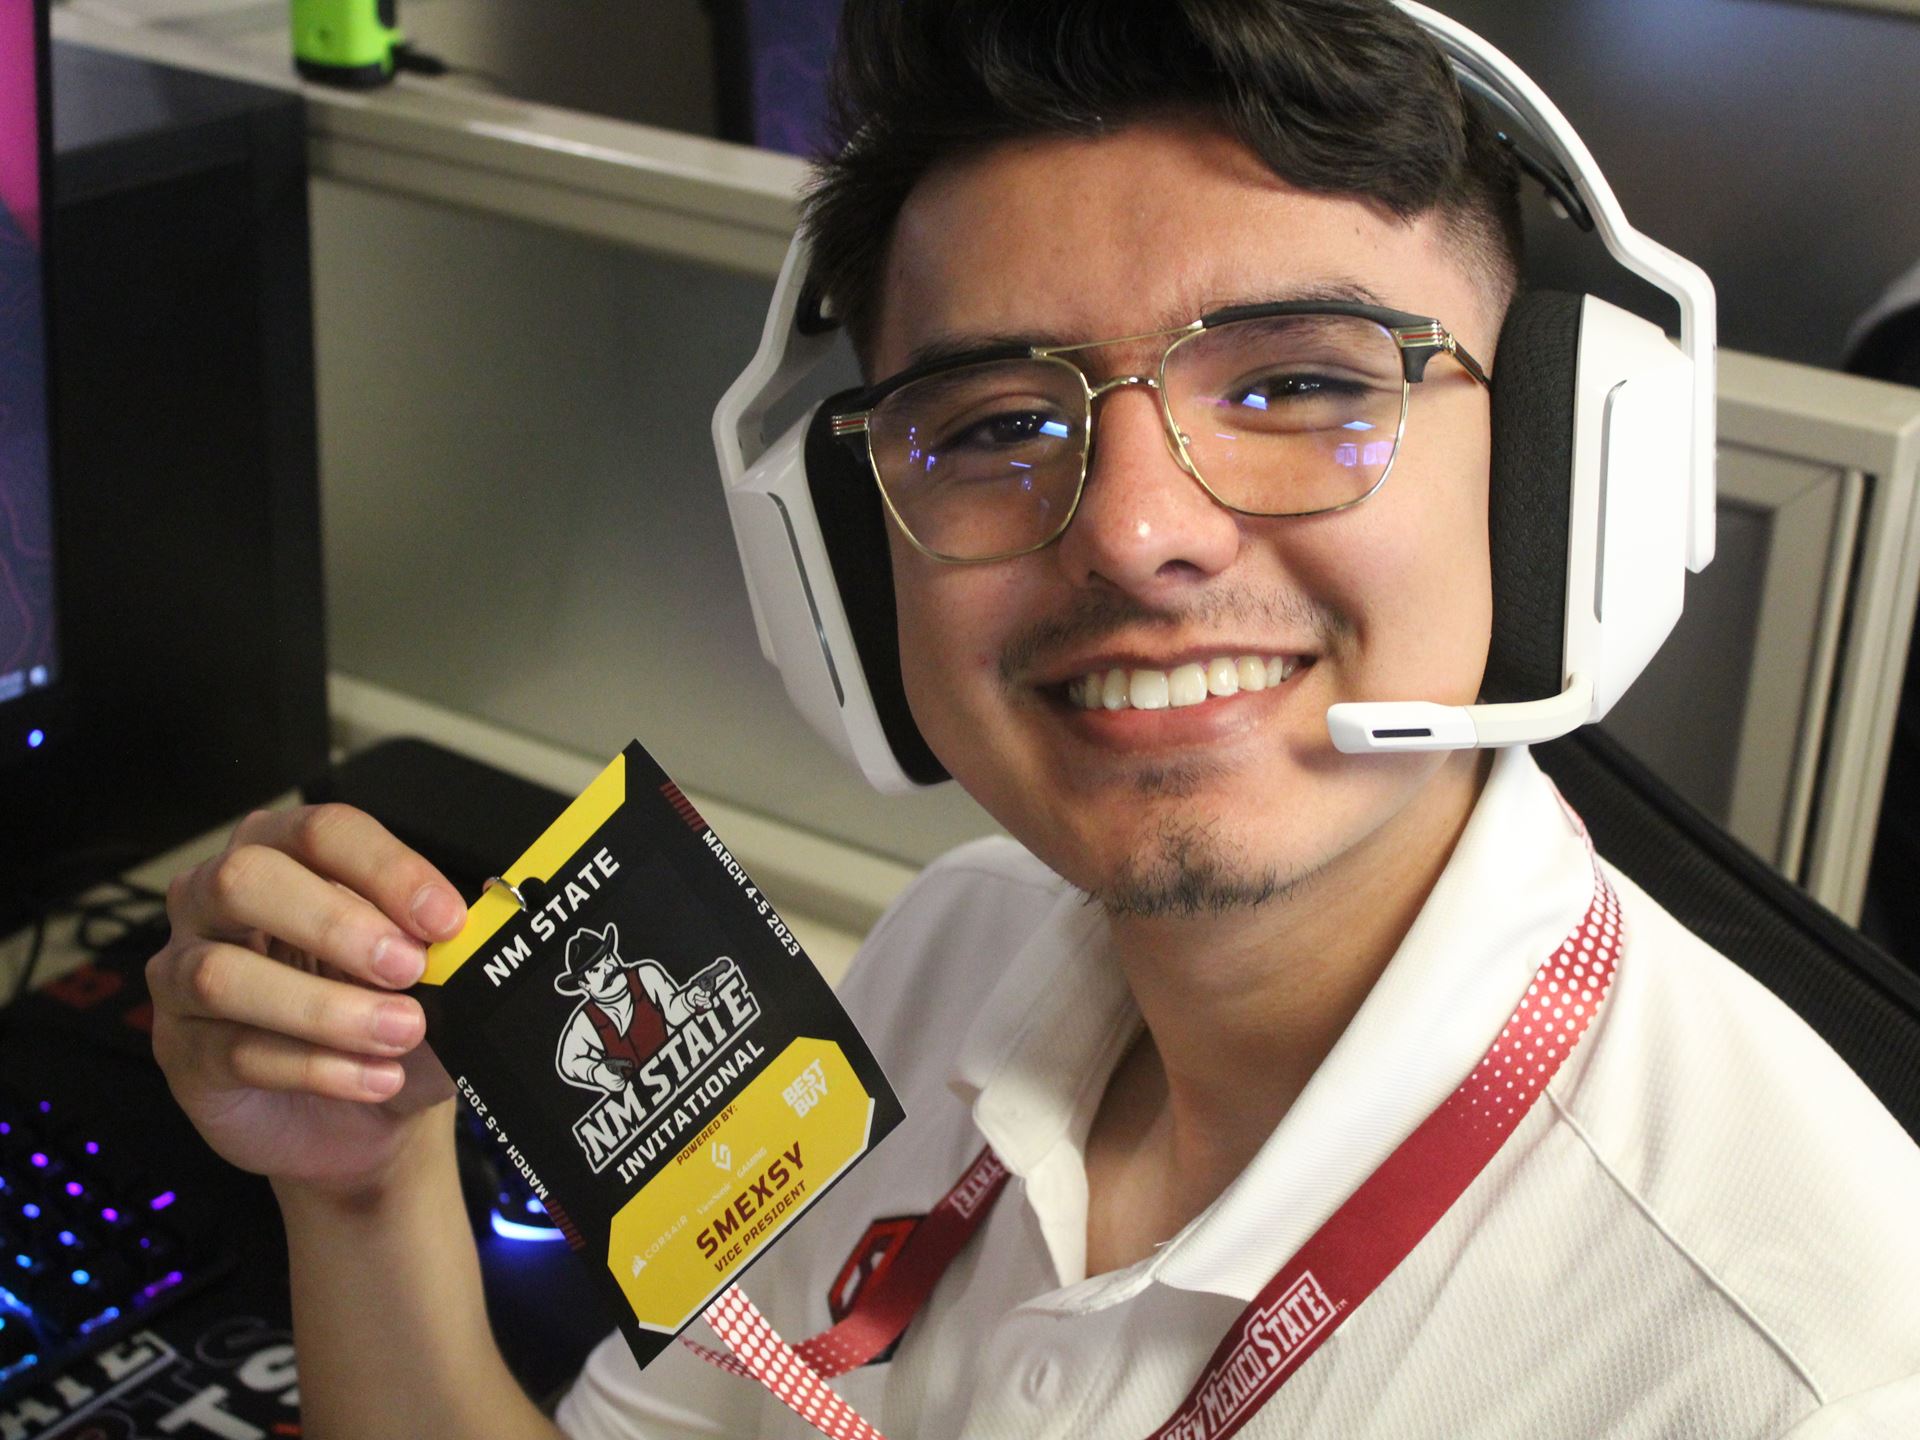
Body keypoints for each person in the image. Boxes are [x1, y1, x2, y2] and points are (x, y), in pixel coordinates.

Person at [144, 2, 1920, 1436]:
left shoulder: (1794, 1373)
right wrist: (363, 1197)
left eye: (1302, 383)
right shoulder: (949, 959)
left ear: (1558, 465)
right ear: (843, 560)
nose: (1139, 530)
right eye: (995, 423)